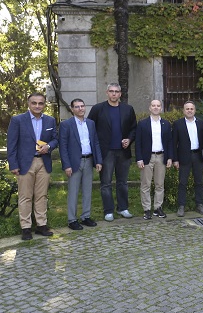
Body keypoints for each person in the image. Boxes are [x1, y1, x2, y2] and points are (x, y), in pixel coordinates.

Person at [8, 93, 59, 240]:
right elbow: (11, 144)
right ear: (28, 104)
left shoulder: (50, 120)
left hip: (44, 162)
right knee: (25, 196)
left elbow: (55, 139)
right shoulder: (18, 120)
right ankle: (26, 228)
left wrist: (48, 146)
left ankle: (41, 225)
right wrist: (13, 164)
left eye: (40, 103)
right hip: (25, 163)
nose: (37, 106)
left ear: (44, 104)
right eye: (34, 103)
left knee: (41, 196)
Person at [88, 83, 137, 221]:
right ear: (107, 92)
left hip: (123, 152)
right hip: (106, 152)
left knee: (122, 182)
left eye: (116, 91)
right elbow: (90, 128)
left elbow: (134, 128)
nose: (114, 94)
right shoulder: (98, 109)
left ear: (120, 94)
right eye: (111, 91)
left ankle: (123, 208)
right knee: (106, 183)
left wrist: (129, 139)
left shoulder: (128, 109)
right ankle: (108, 210)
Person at [59, 98, 103, 230]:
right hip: (74, 162)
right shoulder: (66, 124)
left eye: (82, 106)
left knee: (87, 190)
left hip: (89, 160)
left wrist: (98, 161)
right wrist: (66, 165)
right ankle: (72, 219)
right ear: (72, 109)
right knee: (73, 191)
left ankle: (86, 216)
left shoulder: (90, 123)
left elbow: (95, 142)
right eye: (77, 107)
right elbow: (63, 147)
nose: (80, 109)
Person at [172, 101, 203, 216]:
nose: (189, 110)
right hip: (184, 157)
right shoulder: (178, 124)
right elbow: (174, 143)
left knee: (199, 182)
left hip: (198, 156)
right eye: (187, 109)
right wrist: (175, 159)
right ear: (183, 111)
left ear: (195, 110)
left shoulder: (200, 123)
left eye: (191, 109)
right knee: (182, 182)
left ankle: (199, 204)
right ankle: (181, 206)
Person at [135, 100, 173, 220]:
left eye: (158, 106)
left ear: (161, 108)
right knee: (145, 184)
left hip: (161, 157)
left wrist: (170, 157)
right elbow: (138, 143)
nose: (156, 107)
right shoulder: (142, 124)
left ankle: (158, 208)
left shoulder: (166, 124)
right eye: (153, 105)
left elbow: (170, 142)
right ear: (150, 108)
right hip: (147, 157)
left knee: (159, 184)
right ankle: (147, 209)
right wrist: (139, 158)